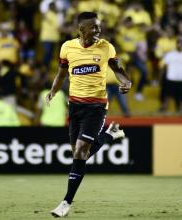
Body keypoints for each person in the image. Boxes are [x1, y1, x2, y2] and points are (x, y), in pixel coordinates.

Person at [45, 12, 131, 217]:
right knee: (78, 154)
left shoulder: (106, 47)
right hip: (74, 106)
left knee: (81, 151)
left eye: (99, 27)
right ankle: (110, 135)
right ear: (81, 29)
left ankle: (66, 202)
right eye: (93, 27)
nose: (98, 30)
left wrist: (125, 82)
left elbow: (118, 69)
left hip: (96, 106)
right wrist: (53, 91)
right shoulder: (67, 47)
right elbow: (61, 73)